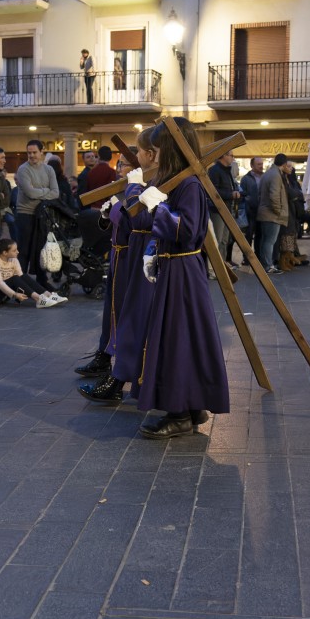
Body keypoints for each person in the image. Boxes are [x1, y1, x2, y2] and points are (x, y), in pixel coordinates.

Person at [131, 117, 229, 439]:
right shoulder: (176, 181)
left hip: (183, 270)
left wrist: (158, 207)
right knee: (180, 338)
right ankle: (190, 405)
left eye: (158, 149)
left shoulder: (189, 185)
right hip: (175, 268)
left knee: (178, 340)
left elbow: (186, 232)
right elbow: (148, 220)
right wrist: (141, 196)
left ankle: (179, 414)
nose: (154, 155)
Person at [78, 128, 153, 401]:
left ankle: (118, 372)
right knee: (113, 312)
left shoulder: (141, 189)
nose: (118, 168)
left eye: (122, 164)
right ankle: (106, 357)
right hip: (119, 257)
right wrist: (107, 214)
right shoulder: (124, 190)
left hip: (133, 260)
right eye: (118, 163)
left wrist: (117, 210)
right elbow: (110, 225)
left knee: (125, 315)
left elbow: (137, 222)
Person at [14, 139, 58, 286]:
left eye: (34, 152)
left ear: (41, 152)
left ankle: (42, 279)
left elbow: (56, 193)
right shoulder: (23, 169)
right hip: (25, 213)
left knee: (41, 248)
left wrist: (39, 191)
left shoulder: (49, 170)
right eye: (29, 152)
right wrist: (46, 191)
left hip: (42, 215)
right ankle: (20, 281)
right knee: (24, 249)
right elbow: (30, 193)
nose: (31, 155)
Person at [0, 237, 63, 308]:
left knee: (23, 276)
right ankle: (38, 299)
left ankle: (48, 295)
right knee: (14, 278)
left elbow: (21, 277)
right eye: (14, 250)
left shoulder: (13, 258)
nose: (17, 252)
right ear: (5, 253)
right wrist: (14, 294)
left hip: (7, 291)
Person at [207, 150, 240, 274]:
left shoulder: (227, 170)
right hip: (217, 210)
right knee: (217, 239)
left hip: (227, 209)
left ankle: (221, 268)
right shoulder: (215, 170)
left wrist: (235, 191)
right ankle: (213, 270)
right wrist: (231, 194)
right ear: (223, 156)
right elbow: (213, 191)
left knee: (225, 240)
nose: (233, 157)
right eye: (231, 155)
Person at [256, 154, 289, 274]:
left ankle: (264, 264)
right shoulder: (275, 175)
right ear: (284, 164)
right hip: (271, 215)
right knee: (269, 241)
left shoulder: (268, 173)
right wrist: (279, 212)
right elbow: (274, 196)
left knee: (265, 240)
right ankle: (267, 266)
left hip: (265, 213)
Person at [239, 156, 263, 264]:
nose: (261, 166)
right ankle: (247, 258)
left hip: (262, 211)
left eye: (262, 164)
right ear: (252, 166)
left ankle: (258, 256)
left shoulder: (264, 177)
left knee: (260, 235)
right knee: (248, 236)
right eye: (258, 164)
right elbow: (242, 195)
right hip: (250, 212)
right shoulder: (245, 179)